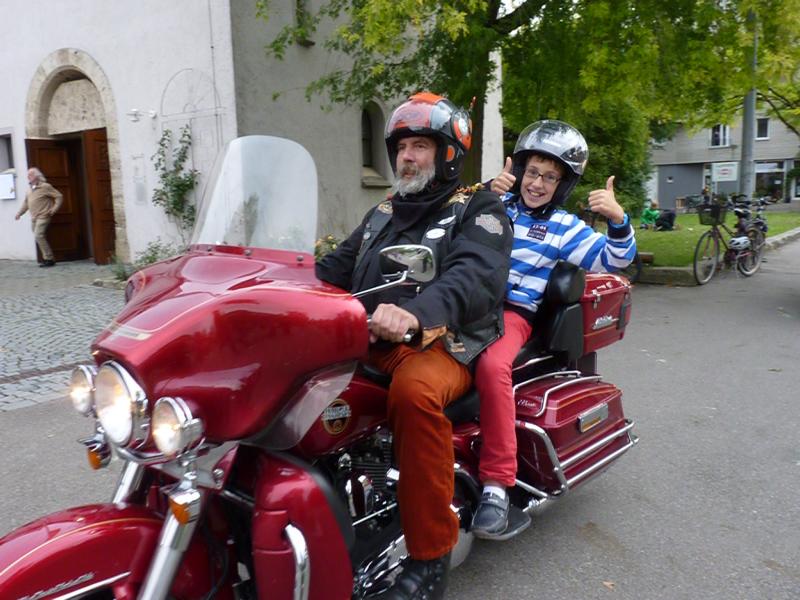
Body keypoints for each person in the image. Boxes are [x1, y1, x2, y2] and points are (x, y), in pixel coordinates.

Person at [316, 92, 512, 600]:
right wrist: (275, 283)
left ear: (448, 154)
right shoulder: (382, 212)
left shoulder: (480, 209)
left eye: (420, 146)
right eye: (401, 147)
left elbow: (474, 277)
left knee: (414, 393)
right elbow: (333, 268)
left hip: (444, 345)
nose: (407, 156)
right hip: (366, 339)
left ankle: (429, 559)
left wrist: (417, 314)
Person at [471, 120, 637, 539]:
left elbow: (614, 260)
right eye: (532, 172)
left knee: (491, 367)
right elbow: (451, 222)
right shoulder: (496, 204)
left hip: (512, 314)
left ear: (562, 185)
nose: (537, 183)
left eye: (549, 177)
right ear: (519, 170)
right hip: (465, 303)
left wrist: (618, 219)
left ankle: (496, 485)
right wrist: (484, 192)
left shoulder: (564, 226)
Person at [14, 167, 63, 267]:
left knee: (38, 235)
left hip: (44, 216)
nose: (28, 176)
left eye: (30, 174)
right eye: (28, 175)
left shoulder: (45, 186)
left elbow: (59, 196)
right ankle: (46, 258)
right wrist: (19, 213)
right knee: (39, 237)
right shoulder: (29, 190)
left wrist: (54, 209)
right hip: (34, 218)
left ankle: (49, 259)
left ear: (37, 176)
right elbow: (26, 203)